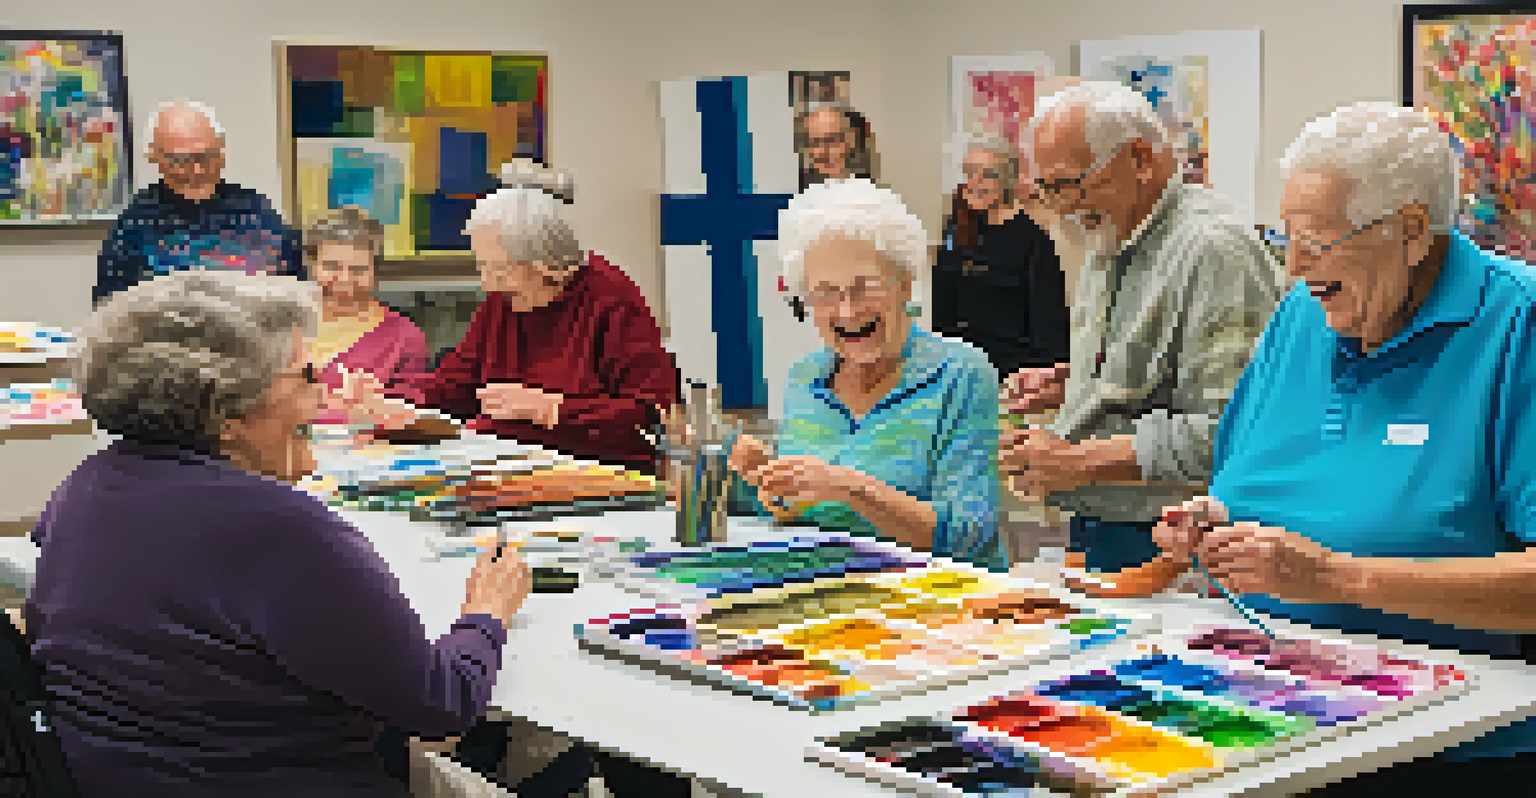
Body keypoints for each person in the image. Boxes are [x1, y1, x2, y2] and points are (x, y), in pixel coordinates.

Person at [1152, 103, 1536, 794]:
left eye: (1316, 240)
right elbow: (1250, 480)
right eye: (1286, 236)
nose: (1295, 264)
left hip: (1442, 743)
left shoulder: (1517, 325)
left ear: (1411, 232)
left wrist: (1337, 577)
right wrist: (1210, 525)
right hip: (1260, 712)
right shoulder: (1304, 313)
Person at [26, 272, 531, 798]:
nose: (324, 391)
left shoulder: (85, 487)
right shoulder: (279, 528)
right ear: (227, 412)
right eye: (307, 375)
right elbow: (440, 708)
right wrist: (485, 615)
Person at [999, 81, 1286, 578]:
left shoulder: (1213, 249)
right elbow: (1163, 371)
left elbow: (1233, 428)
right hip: (1102, 524)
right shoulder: (1113, 228)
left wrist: (1078, 460)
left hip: (1172, 539)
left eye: (1067, 185)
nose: (1060, 207)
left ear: (1139, 159)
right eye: (1045, 190)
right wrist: (1075, 383)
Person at [728, 178, 1008, 571]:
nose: (847, 311)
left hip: (937, 598)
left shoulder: (961, 375)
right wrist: (757, 480)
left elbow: (970, 537)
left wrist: (848, 487)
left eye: (865, 287)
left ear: (905, 285)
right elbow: (797, 516)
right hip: (826, 590)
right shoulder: (804, 377)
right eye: (826, 292)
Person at [346, 165, 679, 476]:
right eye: (482, 266)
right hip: (508, 466)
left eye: (500, 270)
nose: (487, 284)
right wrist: (392, 401)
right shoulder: (502, 301)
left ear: (548, 265)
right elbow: (454, 387)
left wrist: (551, 409)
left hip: (597, 476)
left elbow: (652, 417)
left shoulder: (612, 299)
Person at [94, 101, 303, 306]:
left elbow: (298, 291)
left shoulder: (258, 213)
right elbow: (109, 309)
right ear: (154, 157)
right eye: (180, 160)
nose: (196, 171)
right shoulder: (134, 225)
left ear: (222, 152)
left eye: (206, 157)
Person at [934, 135, 1069, 377]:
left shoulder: (1033, 241)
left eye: (988, 174)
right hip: (960, 370)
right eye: (970, 172)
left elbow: (1050, 328)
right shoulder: (957, 229)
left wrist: (1038, 382)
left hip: (1012, 374)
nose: (975, 182)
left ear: (1008, 182)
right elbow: (942, 308)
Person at [303, 206, 429, 426]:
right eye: (331, 267)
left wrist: (367, 411)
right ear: (311, 265)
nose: (345, 279)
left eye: (358, 269)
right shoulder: (283, 323)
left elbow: (408, 418)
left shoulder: (405, 337)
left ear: (375, 271)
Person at [796, 103, 876, 190]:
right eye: (815, 142)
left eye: (832, 140)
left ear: (852, 142)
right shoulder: (801, 195)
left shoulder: (875, 196)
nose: (824, 151)